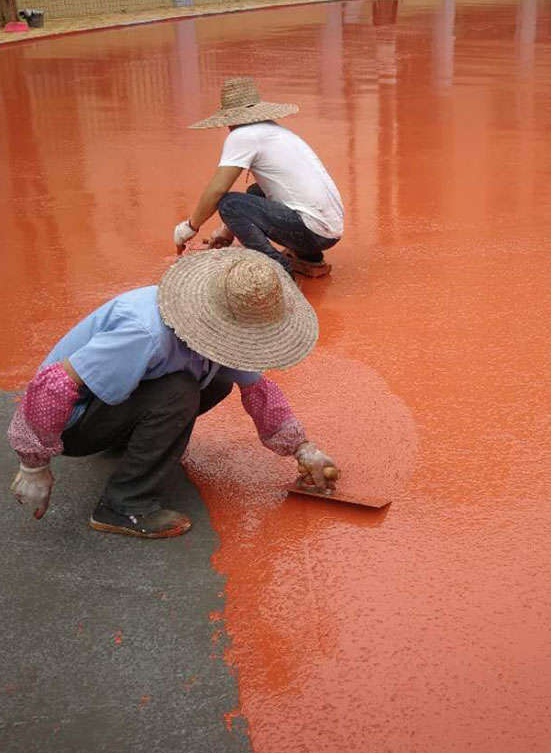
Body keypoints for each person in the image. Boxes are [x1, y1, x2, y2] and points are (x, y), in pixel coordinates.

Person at [7, 249, 338, 539]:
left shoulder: (213, 328)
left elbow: (259, 390)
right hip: (68, 424)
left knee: (216, 382)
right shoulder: (144, 331)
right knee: (178, 392)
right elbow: (54, 383)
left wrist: (302, 449)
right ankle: (124, 504)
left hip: (107, 405)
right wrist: (33, 467)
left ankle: (130, 444)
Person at [173, 77, 344, 276]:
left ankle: (278, 268)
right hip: (329, 228)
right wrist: (227, 231)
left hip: (313, 230)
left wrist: (188, 228)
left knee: (229, 204)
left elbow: (217, 190)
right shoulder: (274, 130)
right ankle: (310, 259)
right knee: (256, 191)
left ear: (228, 118)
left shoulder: (243, 136)